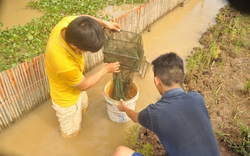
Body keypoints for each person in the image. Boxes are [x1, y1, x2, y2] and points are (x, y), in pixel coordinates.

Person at [113, 52, 221, 156]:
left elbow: (135, 117)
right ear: (181, 77)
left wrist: (124, 108)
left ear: (157, 80)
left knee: (120, 152)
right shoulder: (197, 98)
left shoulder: (155, 113)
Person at [45, 15, 121, 138]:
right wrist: (106, 69)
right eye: (87, 51)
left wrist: (104, 23)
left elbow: (83, 19)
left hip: (76, 82)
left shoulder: (68, 26)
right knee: (71, 134)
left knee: (85, 109)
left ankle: (81, 115)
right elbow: (84, 85)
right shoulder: (63, 63)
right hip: (67, 99)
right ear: (75, 46)